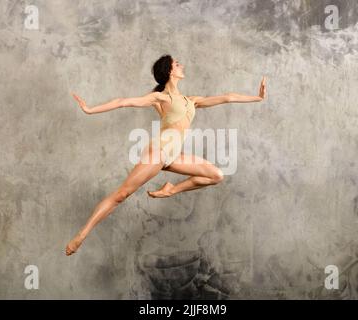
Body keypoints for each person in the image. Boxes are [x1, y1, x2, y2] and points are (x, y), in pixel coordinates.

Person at [65, 54, 267, 255]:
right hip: (159, 152)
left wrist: (257, 97)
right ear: (170, 71)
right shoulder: (160, 98)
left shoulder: (191, 101)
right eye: (177, 64)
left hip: (173, 156)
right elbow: (123, 102)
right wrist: (90, 110)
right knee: (121, 195)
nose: (182, 65)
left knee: (216, 175)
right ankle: (82, 235)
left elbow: (228, 97)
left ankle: (171, 190)